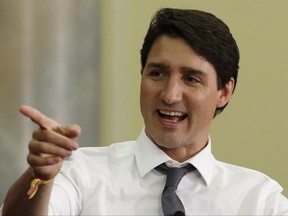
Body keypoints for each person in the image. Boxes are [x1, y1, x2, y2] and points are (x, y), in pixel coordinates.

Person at [1, 8, 288, 215]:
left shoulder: (260, 200)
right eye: (158, 73)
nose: (170, 94)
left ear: (224, 91)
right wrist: (41, 175)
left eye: (191, 79)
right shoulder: (81, 173)